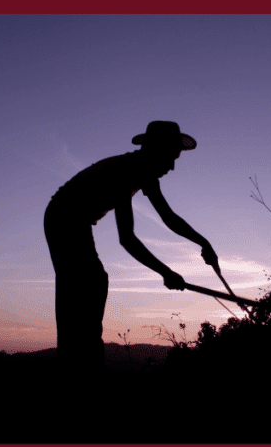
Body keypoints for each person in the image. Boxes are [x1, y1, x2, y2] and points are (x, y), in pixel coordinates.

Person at [44, 121, 218, 374]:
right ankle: (80, 365)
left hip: (73, 219)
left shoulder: (144, 172)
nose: (171, 166)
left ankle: (81, 361)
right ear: (155, 150)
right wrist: (165, 272)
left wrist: (204, 243)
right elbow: (127, 238)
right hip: (64, 217)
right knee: (87, 283)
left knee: (89, 283)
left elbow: (169, 217)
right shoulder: (126, 171)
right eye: (170, 157)